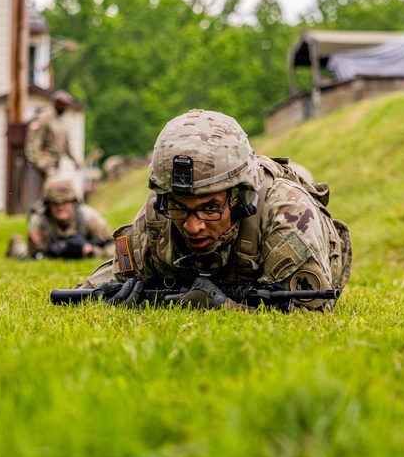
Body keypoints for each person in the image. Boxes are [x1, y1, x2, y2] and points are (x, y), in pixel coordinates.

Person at [77, 109, 352, 312]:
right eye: (179, 207)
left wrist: (223, 307)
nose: (192, 227)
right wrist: (107, 297)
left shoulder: (287, 213)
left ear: (241, 197)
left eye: (209, 208)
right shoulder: (158, 213)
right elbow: (109, 282)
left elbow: (311, 314)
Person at [6, 177, 115, 260]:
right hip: (49, 248)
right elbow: (35, 253)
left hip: (86, 246)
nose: (60, 207)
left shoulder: (89, 217)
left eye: (65, 202)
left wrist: (91, 252)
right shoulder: (40, 220)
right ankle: (15, 243)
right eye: (55, 203)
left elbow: (113, 247)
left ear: (74, 203)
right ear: (48, 205)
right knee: (22, 254)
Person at [25, 90, 81, 181]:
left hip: (55, 163)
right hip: (46, 163)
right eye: (64, 105)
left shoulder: (60, 121)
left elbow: (66, 145)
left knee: (50, 190)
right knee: (53, 191)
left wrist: (74, 160)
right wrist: (38, 161)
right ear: (58, 104)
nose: (66, 108)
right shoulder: (45, 118)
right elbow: (35, 140)